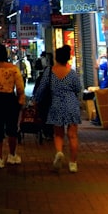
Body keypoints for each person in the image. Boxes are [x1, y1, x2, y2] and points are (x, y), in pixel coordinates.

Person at [34, 44, 82, 173]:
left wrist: (35, 101)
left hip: (56, 104)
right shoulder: (72, 73)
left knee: (58, 134)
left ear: (56, 58)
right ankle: (73, 163)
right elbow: (78, 89)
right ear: (67, 58)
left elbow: (41, 88)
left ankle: (59, 152)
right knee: (72, 136)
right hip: (71, 104)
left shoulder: (49, 72)